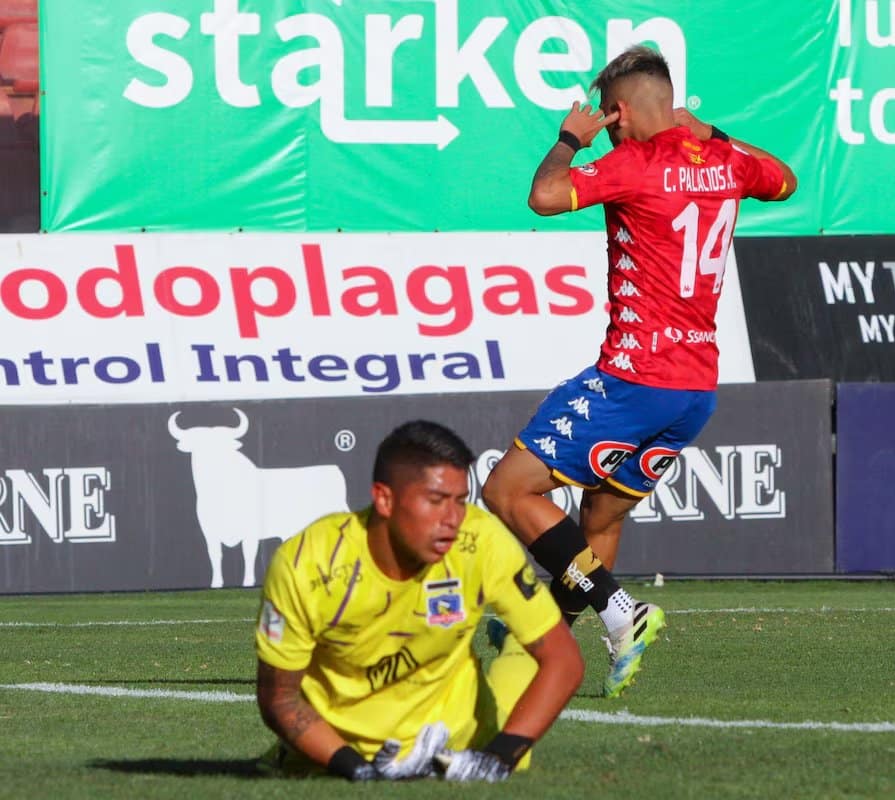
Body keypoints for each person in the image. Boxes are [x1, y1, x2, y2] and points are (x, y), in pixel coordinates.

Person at [482, 45, 796, 698]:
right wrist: (710, 132)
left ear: (622, 113)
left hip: (633, 376)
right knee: (599, 520)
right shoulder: (728, 161)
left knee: (509, 491)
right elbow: (786, 180)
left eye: (609, 117)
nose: (608, 127)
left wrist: (570, 140)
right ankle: (544, 644)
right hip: (695, 389)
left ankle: (621, 613)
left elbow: (543, 196)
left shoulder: (632, 164)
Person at [254, 420, 584, 783]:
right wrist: (357, 770)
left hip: (460, 744)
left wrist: (496, 759)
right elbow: (279, 699)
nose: (453, 519)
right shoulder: (309, 563)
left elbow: (563, 659)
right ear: (384, 499)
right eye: (436, 501)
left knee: (528, 650)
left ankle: (513, 642)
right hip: (340, 750)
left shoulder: (480, 540)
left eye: (460, 501)